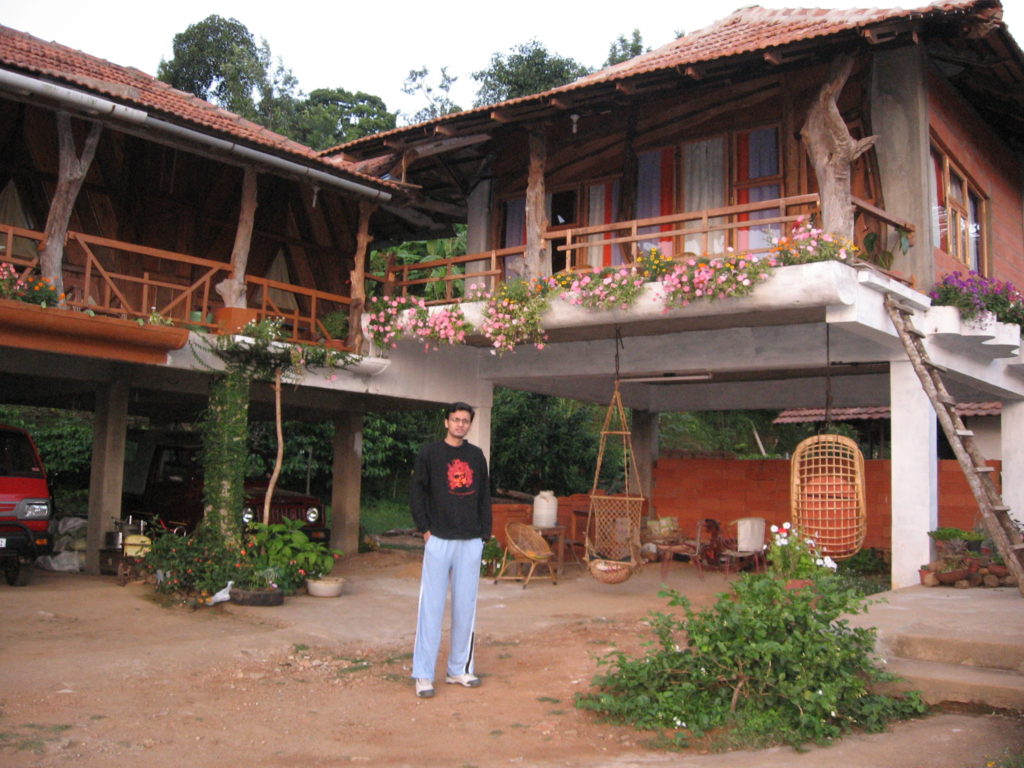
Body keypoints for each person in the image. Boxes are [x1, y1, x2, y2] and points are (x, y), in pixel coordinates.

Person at [410, 402, 492, 699]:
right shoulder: (430, 454)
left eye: (465, 420)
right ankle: (423, 674)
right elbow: (417, 492)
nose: (460, 424)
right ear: (446, 422)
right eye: (455, 420)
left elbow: (484, 495)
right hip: (439, 539)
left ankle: (459, 668)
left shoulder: (475, 456)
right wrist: (425, 530)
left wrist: (484, 534)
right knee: (430, 607)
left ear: (470, 424)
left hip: (470, 540)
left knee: (465, 607)